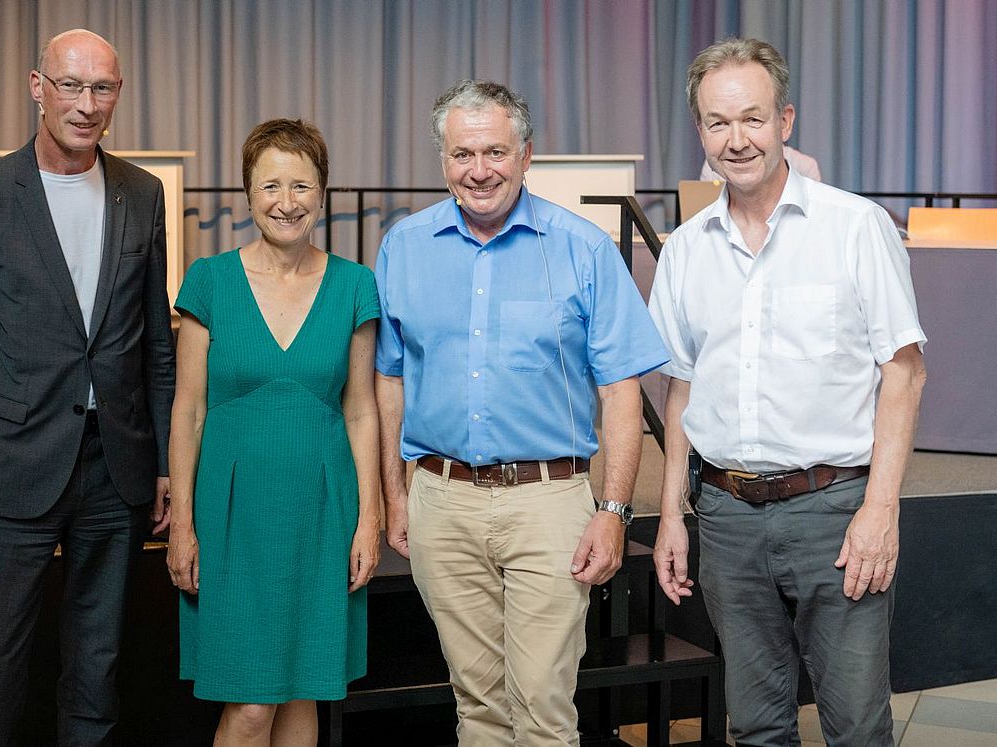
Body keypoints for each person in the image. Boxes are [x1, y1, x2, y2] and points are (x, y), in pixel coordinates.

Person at [648, 38, 926, 746]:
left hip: (835, 513)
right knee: (758, 726)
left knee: (857, 728)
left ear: (786, 121)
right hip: (728, 516)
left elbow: (904, 371)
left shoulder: (855, 228)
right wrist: (673, 513)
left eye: (753, 118)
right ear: (700, 132)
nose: (737, 140)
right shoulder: (683, 250)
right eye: (718, 122)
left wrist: (879, 509)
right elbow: (681, 387)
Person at [375, 80, 669, 746]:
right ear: (443, 159)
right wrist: (395, 494)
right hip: (441, 501)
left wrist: (614, 510)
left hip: (548, 503)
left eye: (496, 152)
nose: (479, 170)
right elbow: (387, 381)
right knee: (476, 702)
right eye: (463, 154)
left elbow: (622, 391)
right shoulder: (405, 247)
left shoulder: (583, 249)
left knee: (541, 706)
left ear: (527, 154)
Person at [0, 28, 175, 745]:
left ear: (118, 95)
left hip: (115, 469)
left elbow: (155, 342)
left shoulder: (143, 193)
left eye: (102, 87)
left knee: (97, 666)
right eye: (71, 84)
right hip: (12, 469)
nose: (86, 103)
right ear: (38, 87)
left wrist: (163, 461)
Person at [167, 118, 380, 746]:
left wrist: (368, 519)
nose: (286, 202)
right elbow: (188, 411)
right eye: (270, 187)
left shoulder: (354, 285)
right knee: (251, 703)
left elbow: (362, 410)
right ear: (247, 193)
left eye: (301, 186)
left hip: (321, 507)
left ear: (322, 193)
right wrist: (183, 523)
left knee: (304, 690)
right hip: (233, 515)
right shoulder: (209, 281)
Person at [701, 143, 821, 182]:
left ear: (783, 123)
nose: (738, 144)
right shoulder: (713, 165)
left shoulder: (806, 166)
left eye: (754, 120)